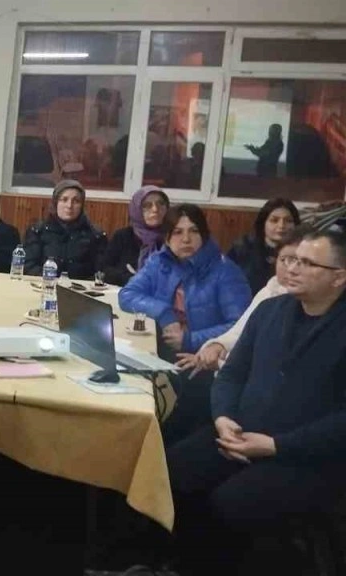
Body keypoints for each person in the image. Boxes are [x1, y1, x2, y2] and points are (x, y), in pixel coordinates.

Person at [166, 224, 346, 575]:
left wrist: (276, 445)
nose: (292, 268)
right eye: (290, 259)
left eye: (307, 263)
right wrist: (223, 418)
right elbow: (231, 374)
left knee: (229, 503)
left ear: (339, 277)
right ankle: (182, 562)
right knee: (174, 470)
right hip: (239, 433)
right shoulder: (271, 310)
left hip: (305, 456)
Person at [119, 204, 250, 356]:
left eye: (194, 231)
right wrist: (164, 314)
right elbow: (127, 294)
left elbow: (240, 326)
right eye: (177, 232)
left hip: (202, 356)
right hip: (159, 347)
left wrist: (189, 340)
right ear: (166, 239)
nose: (186, 239)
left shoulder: (225, 271)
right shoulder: (159, 262)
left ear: (204, 235)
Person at [175, 228, 304, 378]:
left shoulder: (303, 304)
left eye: (299, 262)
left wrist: (221, 362)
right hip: (229, 368)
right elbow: (240, 330)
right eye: (285, 260)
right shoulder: (271, 289)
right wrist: (218, 345)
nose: (291, 269)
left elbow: (263, 360)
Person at [22, 180, 108, 280]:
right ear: (56, 203)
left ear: (82, 206)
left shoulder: (95, 235)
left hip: (80, 288)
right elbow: (28, 266)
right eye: (64, 200)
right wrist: (51, 280)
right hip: (43, 285)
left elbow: (100, 272)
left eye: (76, 201)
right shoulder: (38, 231)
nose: (69, 206)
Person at [228, 198, 301, 296]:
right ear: (263, 223)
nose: (281, 226)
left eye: (288, 221)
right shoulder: (242, 248)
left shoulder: (303, 252)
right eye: (274, 220)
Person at [100, 185, 170, 286]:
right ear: (136, 209)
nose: (155, 209)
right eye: (147, 205)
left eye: (161, 204)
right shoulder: (123, 236)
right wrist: (132, 279)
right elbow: (105, 269)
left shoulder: (173, 237)